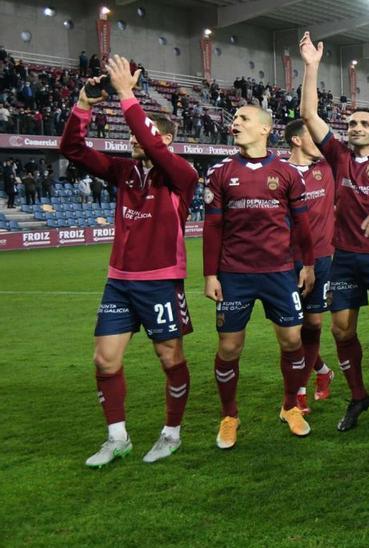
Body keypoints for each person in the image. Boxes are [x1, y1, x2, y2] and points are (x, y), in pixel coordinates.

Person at [63, 55, 200, 467]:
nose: (137, 139)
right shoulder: (123, 172)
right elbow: (71, 147)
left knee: (170, 358)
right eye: (135, 135)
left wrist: (127, 95)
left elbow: (152, 142)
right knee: (104, 359)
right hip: (119, 280)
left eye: (149, 135)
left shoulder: (182, 174)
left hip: (161, 281)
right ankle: (117, 437)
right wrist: (85, 103)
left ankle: (171, 434)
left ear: (167, 141)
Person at [299, 32, 369, 432]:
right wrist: (311, 67)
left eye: (364, 123)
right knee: (341, 329)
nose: (356, 127)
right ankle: (359, 396)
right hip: (343, 257)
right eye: (351, 122)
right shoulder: (338, 154)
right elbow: (309, 115)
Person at [204, 103, 316, 449]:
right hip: (235, 273)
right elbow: (213, 227)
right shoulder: (219, 172)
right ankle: (229, 415)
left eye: (243, 119)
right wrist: (210, 274)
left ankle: (289, 407)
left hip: (280, 273)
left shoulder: (286, 173)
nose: (235, 123)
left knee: (292, 341)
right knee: (229, 346)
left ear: (265, 129)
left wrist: (308, 265)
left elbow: (302, 225)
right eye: (235, 118)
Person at [281, 120, 337, 415]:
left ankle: (299, 389)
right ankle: (322, 371)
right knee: (291, 331)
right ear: (296, 140)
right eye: (313, 135)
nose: (321, 140)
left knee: (313, 324)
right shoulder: (278, 172)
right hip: (285, 261)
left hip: (323, 257)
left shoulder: (327, 169)